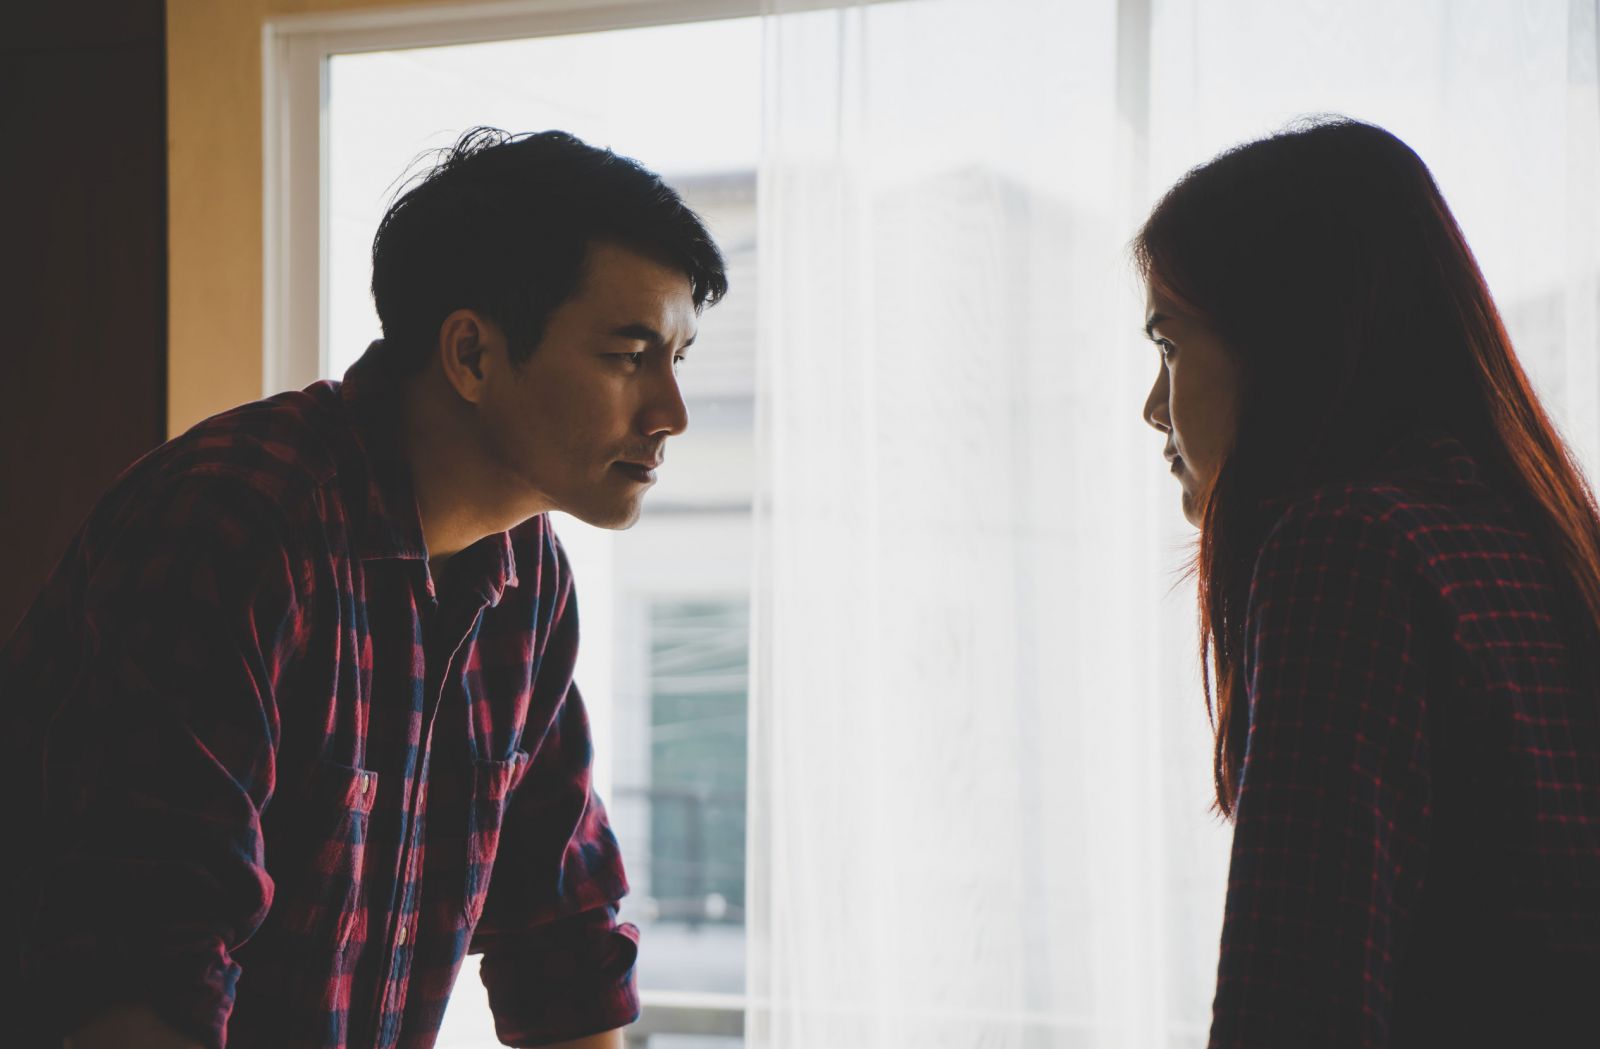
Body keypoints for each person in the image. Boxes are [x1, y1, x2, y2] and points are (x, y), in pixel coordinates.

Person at [2, 127, 726, 1049]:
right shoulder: (239, 526)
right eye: (628, 356)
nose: (671, 413)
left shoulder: (528, 576)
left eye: (678, 358)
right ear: (471, 354)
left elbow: (564, 946)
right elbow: (141, 976)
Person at [1135, 117, 1600, 1047]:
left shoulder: (1347, 548)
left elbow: (1297, 1004)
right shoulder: (1539, 543)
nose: (1154, 408)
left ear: (1286, 339)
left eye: (1171, 344)